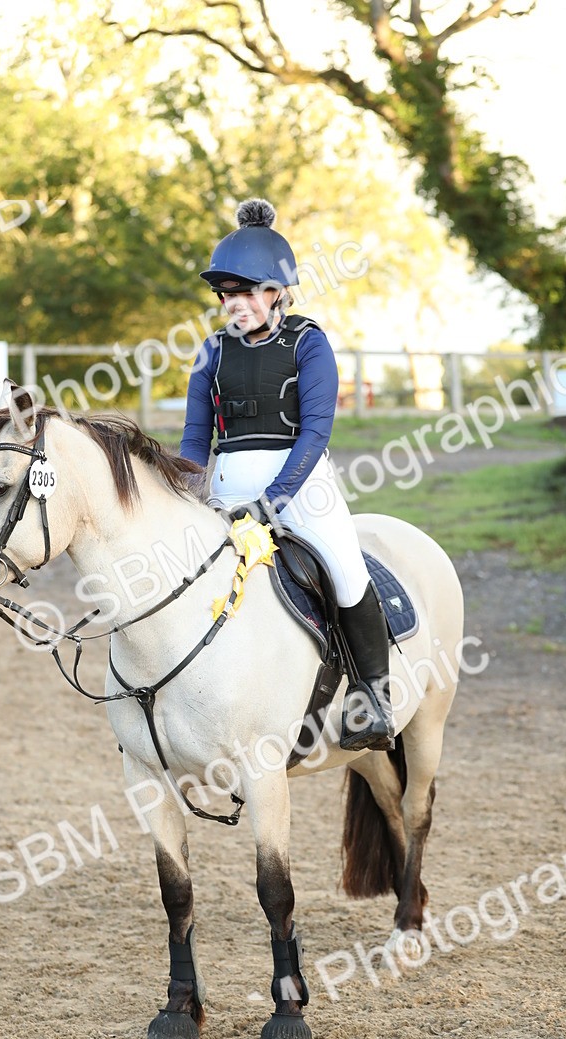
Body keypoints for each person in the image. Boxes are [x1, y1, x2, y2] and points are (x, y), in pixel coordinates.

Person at [181, 197, 394, 752]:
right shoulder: (210, 354)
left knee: (346, 567)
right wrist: (182, 490)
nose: (235, 304)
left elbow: (316, 432)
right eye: (227, 294)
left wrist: (274, 501)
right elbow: (194, 442)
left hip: (301, 485)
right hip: (226, 487)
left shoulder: (308, 342)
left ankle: (372, 696)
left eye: (247, 291)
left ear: (278, 292)